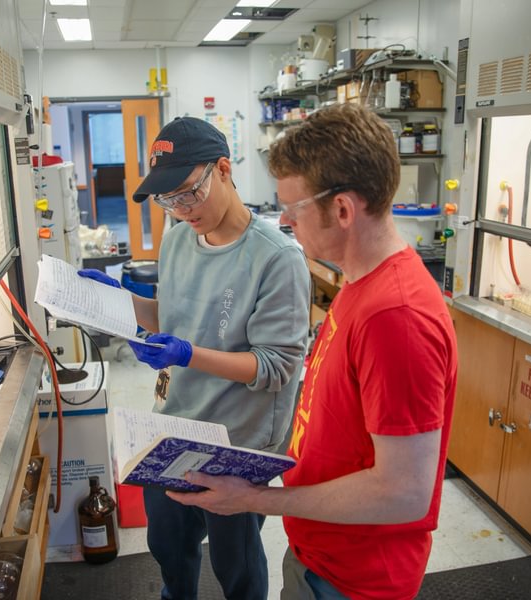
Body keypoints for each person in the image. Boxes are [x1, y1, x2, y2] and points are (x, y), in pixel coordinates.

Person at [168, 103, 458, 600]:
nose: (283, 220)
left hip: (356, 578)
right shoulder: (358, 282)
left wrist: (258, 499)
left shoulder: (396, 317)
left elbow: (404, 493)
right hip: (320, 549)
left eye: (294, 208)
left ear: (343, 210)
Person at [78, 116, 310, 600]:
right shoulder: (179, 235)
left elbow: (274, 368)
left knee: (236, 563)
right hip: (174, 425)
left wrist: (186, 354)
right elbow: (173, 314)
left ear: (223, 170)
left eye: (188, 193)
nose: (181, 209)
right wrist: (123, 304)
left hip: (236, 442)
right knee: (168, 544)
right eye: (168, 199)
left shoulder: (276, 258)